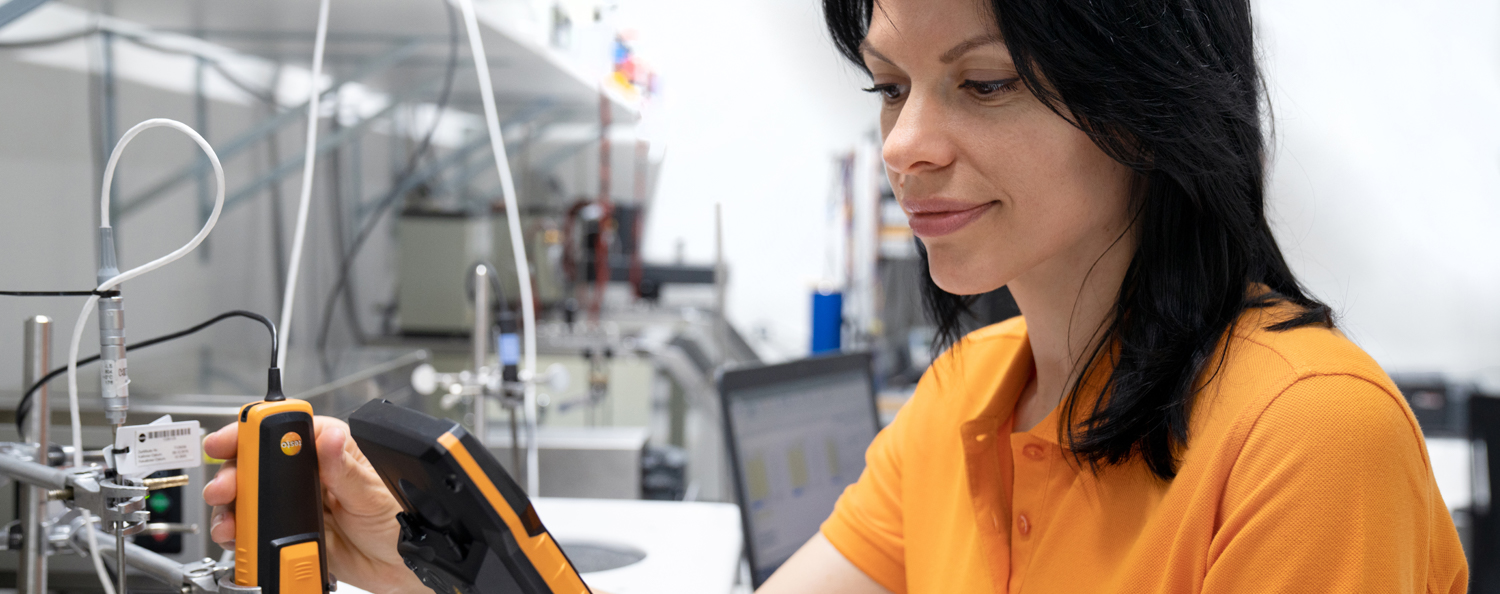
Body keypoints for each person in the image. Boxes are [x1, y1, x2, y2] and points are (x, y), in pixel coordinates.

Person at [204, 0, 1469, 591]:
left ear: (1153, 106)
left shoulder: (1305, 436)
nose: (905, 144)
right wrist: (427, 560)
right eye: (888, 86)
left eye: (980, 85)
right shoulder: (974, 395)